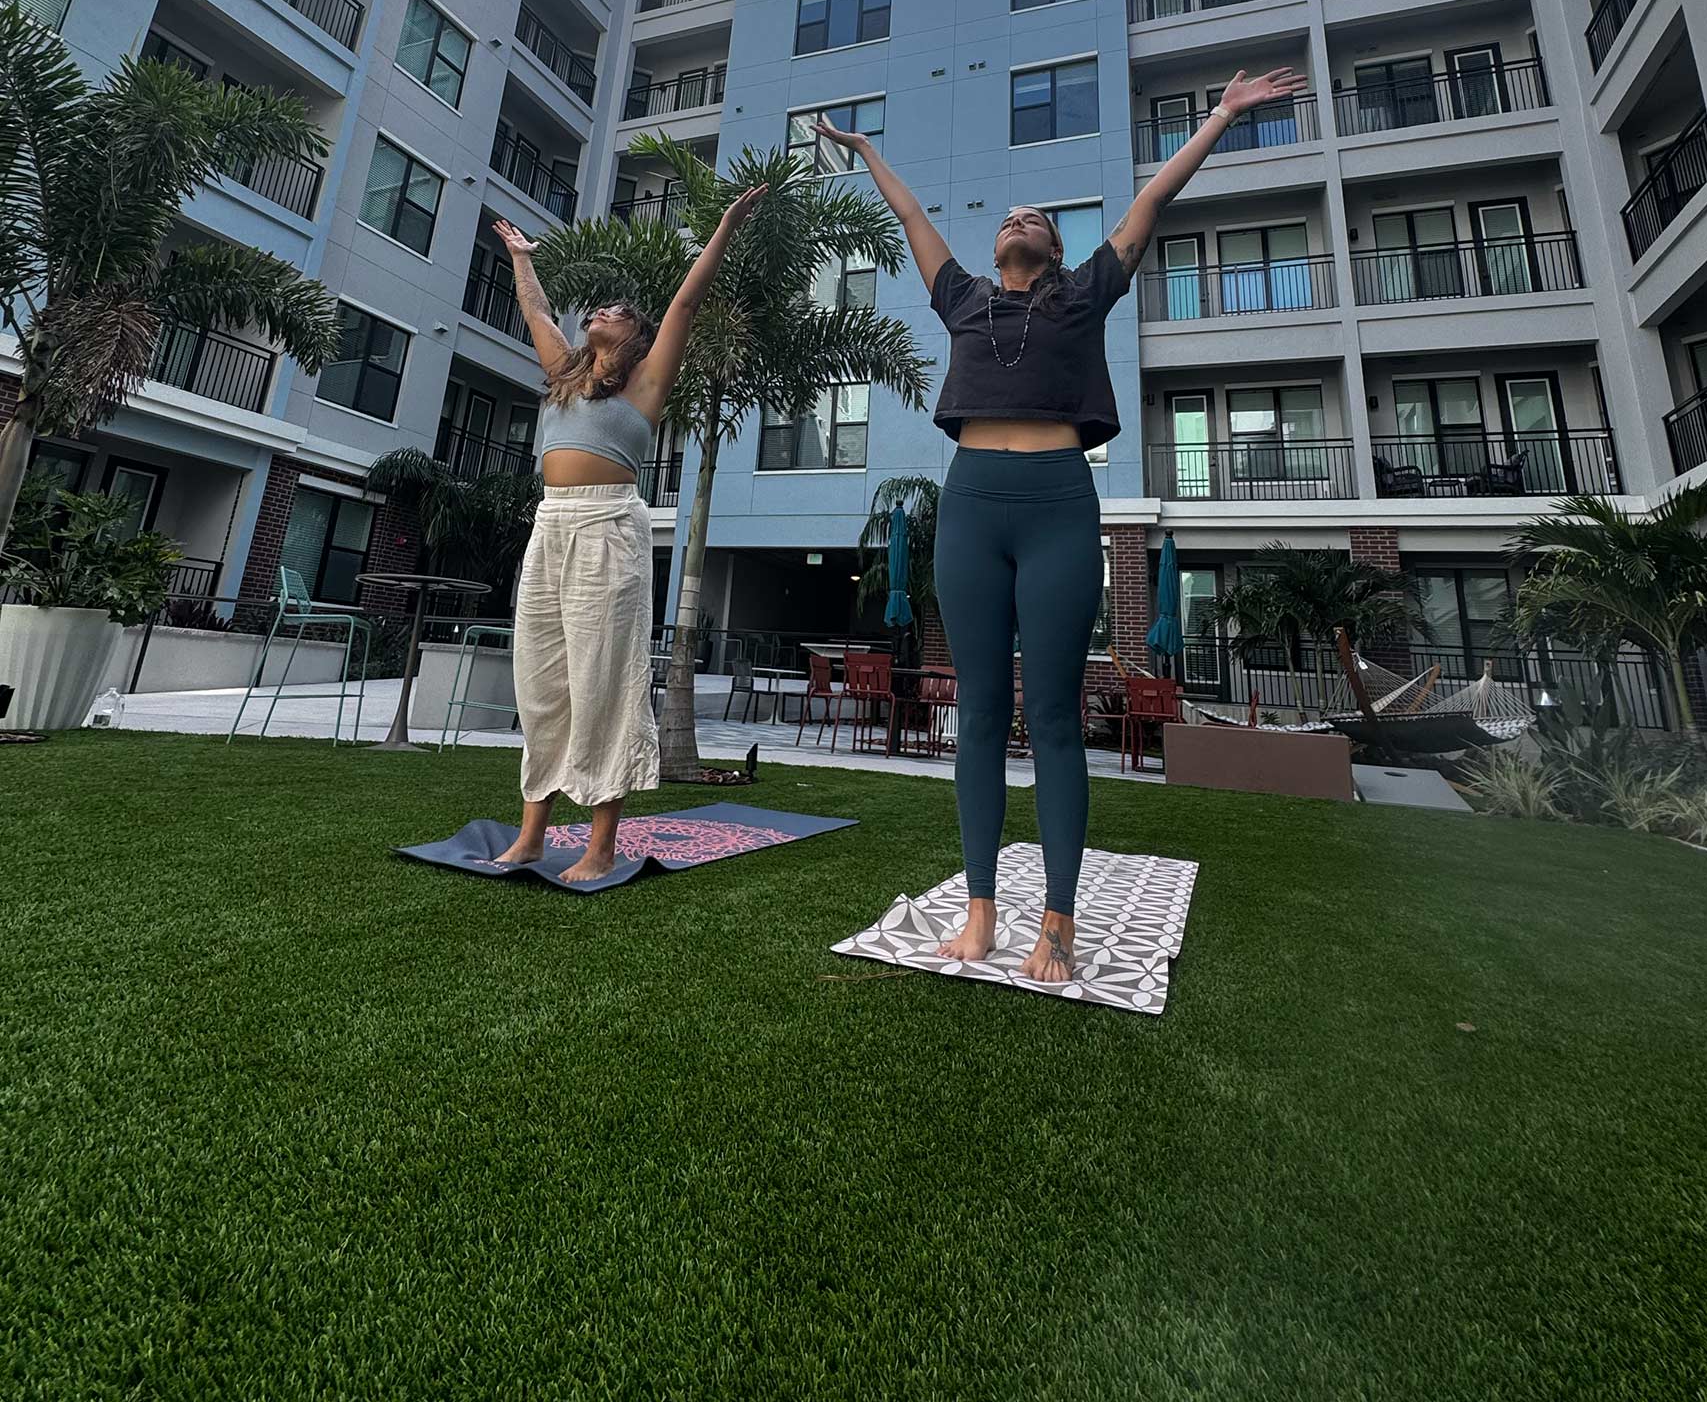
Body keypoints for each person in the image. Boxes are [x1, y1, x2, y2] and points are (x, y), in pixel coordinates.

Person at [814, 68, 1305, 980]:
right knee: (979, 713)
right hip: (969, 504)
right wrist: (867, 151)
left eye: (1036, 217)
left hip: (1055, 505)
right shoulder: (962, 298)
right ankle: (979, 911)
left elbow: (1152, 199)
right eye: (1010, 217)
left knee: (1050, 713)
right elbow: (911, 218)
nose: (1021, 218)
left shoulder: (1082, 294)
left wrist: (1220, 115)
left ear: (1053, 245)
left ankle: (1059, 920)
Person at [487, 188, 765, 880]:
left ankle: (601, 844)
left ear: (633, 339)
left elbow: (684, 306)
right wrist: (522, 258)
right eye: (598, 309)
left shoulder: (644, 386)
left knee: (603, 681)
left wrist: (725, 226)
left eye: (615, 312)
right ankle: (531, 834)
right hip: (550, 524)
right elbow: (536, 309)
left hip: (609, 524)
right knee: (542, 680)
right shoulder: (563, 375)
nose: (600, 312)